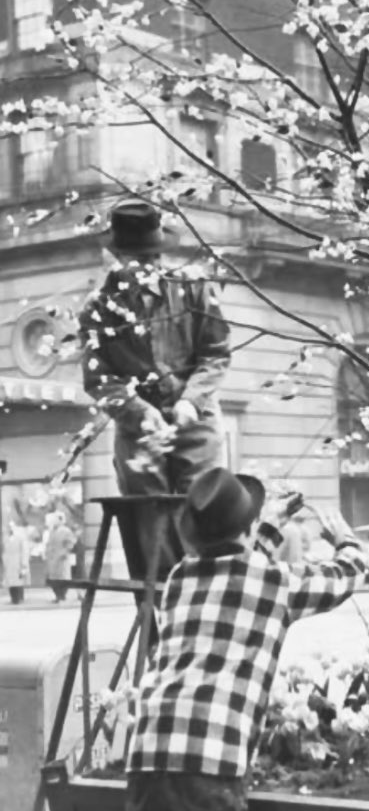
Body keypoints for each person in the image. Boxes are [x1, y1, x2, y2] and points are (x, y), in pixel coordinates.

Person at [123, 466, 369, 811]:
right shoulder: (274, 582)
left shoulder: (180, 577)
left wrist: (269, 526)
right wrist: (345, 539)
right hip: (211, 758)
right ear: (245, 528)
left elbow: (236, 563)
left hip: (148, 752)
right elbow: (346, 574)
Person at [78, 197, 231, 578]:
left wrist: (190, 402)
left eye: (151, 258)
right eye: (136, 259)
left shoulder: (194, 287)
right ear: (118, 256)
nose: (145, 267)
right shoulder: (99, 308)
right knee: (150, 527)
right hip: (139, 434)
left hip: (196, 425)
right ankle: (159, 608)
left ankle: (206, 601)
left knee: (205, 516)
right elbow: (99, 379)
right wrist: (140, 412)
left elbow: (215, 353)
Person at [44, 511, 77, 604]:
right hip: (52, 558)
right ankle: (57, 595)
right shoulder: (52, 531)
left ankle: (62, 595)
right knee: (53, 578)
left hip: (62, 558)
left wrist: (65, 552)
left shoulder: (66, 531)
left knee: (63, 578)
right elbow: (49, 544)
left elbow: (71, 543)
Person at [3, 520, 31, 605]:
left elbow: (25, 550)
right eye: (8, 527)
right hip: (9, 562)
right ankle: (13, 598)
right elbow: (4, 550)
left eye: (11, 527)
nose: (9, 529)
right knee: (11, 581)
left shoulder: (20, 537)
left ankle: (18, 598)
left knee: (18, 580)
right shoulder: (6, 538)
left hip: (18, 561)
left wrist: (24, 562)